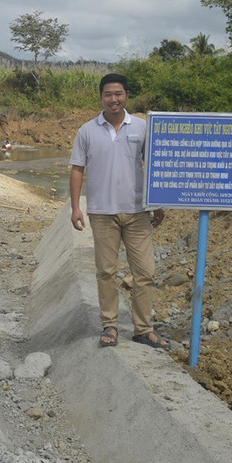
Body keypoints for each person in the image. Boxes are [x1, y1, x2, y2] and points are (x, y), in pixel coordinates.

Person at [69, 73, 169, 350]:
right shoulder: (87, 131)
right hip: (101, 213)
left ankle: (143, 328)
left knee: (145, 272)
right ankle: (110, 326)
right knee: (106, 272)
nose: (113, 99)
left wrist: (157, 202)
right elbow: (77, 169)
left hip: (137, 213)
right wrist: (77, 207)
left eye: (118, 94)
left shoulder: (142, 127)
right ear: (101, 97)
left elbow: (155, 165)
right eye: (108, 95)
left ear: (126, 95)